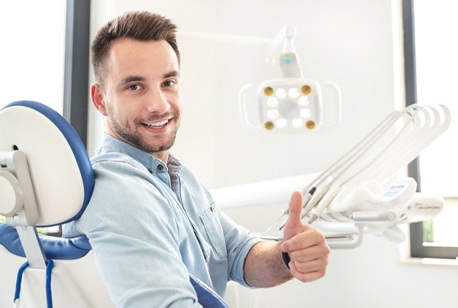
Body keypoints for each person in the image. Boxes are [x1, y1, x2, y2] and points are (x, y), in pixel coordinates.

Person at [63, 11, 330, 307]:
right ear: (100, 99)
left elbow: (238, 255)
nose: (159, 105)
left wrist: (286, 255)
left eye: (168, 83)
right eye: (134, 87)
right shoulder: (118, 190)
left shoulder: (178, 177)